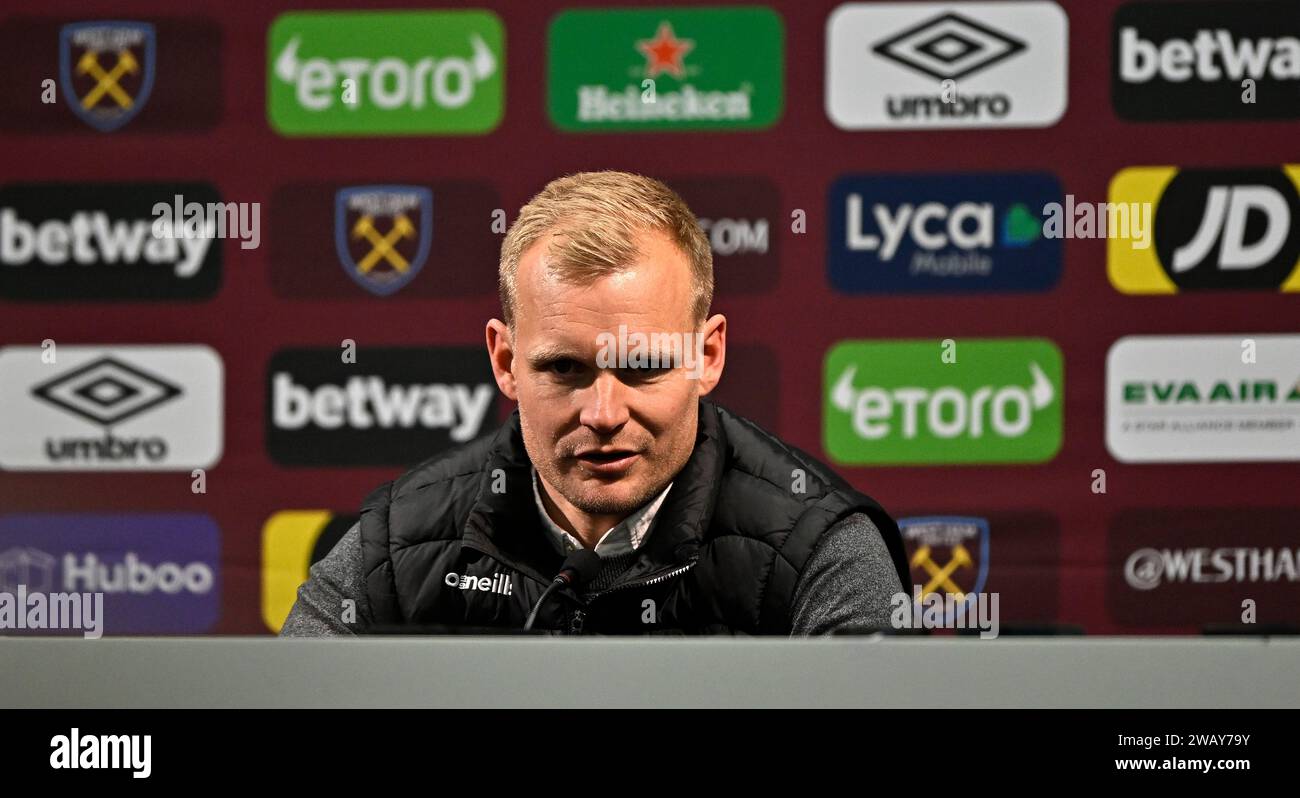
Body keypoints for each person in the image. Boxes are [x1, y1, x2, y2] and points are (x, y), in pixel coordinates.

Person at [281, 170, 909, 636]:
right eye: (563, 368)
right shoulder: (395, 547)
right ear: (505, 362)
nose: (604, 414)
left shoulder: (820, 551)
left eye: (643, 366)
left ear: (707, 356)